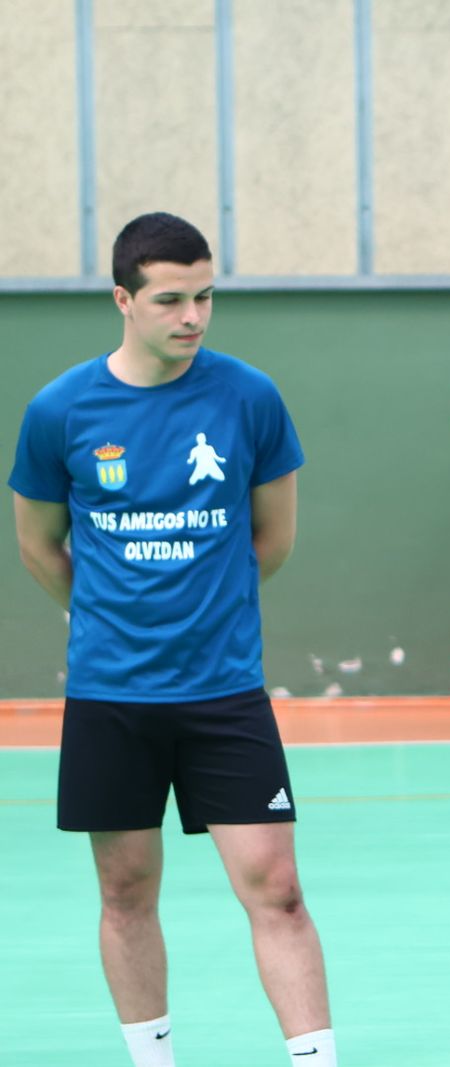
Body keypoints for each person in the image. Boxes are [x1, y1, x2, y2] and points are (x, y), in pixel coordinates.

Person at [8, 212, 335, 1067]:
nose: (192, 316)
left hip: (224, 691)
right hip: (110, 693)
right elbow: (39, 543)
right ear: (124, 298)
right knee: (124, 891)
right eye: (170, 299)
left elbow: (274, 539)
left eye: (204, 296)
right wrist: (109, 611)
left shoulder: (249, 397)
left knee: (279, 889)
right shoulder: (61, 411)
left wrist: (202, 604)